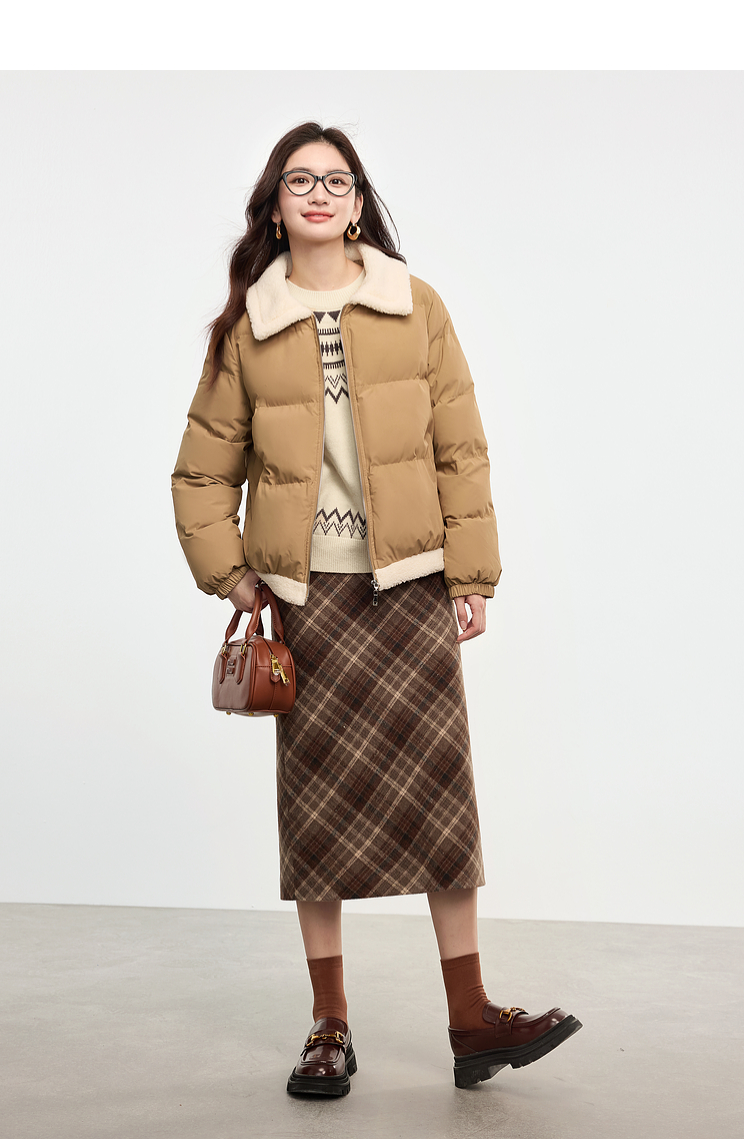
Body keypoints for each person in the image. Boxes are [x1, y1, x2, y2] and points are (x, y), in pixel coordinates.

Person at [171, 122, 582, 1096]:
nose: (318, 192)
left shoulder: (415, 304)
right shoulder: (247, 326)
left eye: (337, 180)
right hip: (307, 597)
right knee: (316, 816)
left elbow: (460, 447)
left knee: (444, 803)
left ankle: (472, 1016)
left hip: (412, 585)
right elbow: (200, 471)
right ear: (275, 207)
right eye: (299, 180)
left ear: (358, 204)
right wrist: (233, 575)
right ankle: (329, 1024)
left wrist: (472, 574)